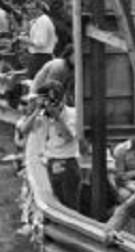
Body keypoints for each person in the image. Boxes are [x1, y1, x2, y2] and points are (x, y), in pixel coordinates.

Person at [15, 80, 82, 210]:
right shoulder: (44, 116)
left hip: (67, 163)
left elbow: (68, 137)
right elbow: (24, 130)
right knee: (55, 202)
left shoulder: (72, 114)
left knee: (69, 204)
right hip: (51, 162)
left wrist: (57, 118)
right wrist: (37, 111)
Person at [24, 0, 57, 79]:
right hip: (37, 57)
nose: (30, 12)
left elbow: (41, 43)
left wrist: (26, 41)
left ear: (39, 9)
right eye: (28, 9)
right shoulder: (37, 21)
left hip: (41, 57)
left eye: (32, 9)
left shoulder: (43, 21)